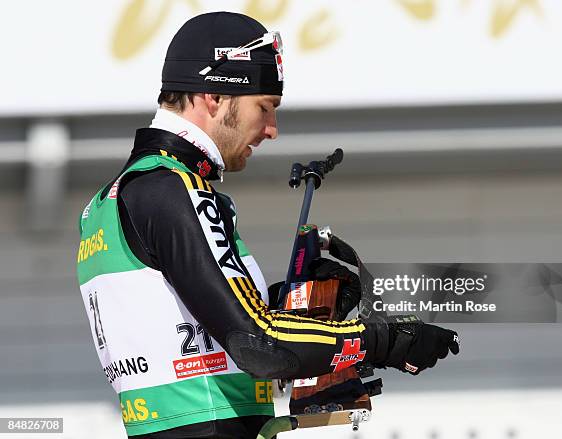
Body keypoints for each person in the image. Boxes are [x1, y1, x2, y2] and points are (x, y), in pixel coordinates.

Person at [76, 11, 460, 439]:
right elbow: (257, 343)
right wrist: (386, 340)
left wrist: (291, 299)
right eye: (265, 107)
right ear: (214, 97)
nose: (272, 130)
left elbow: (187, 322)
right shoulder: (172, 188)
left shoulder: (113, 198)